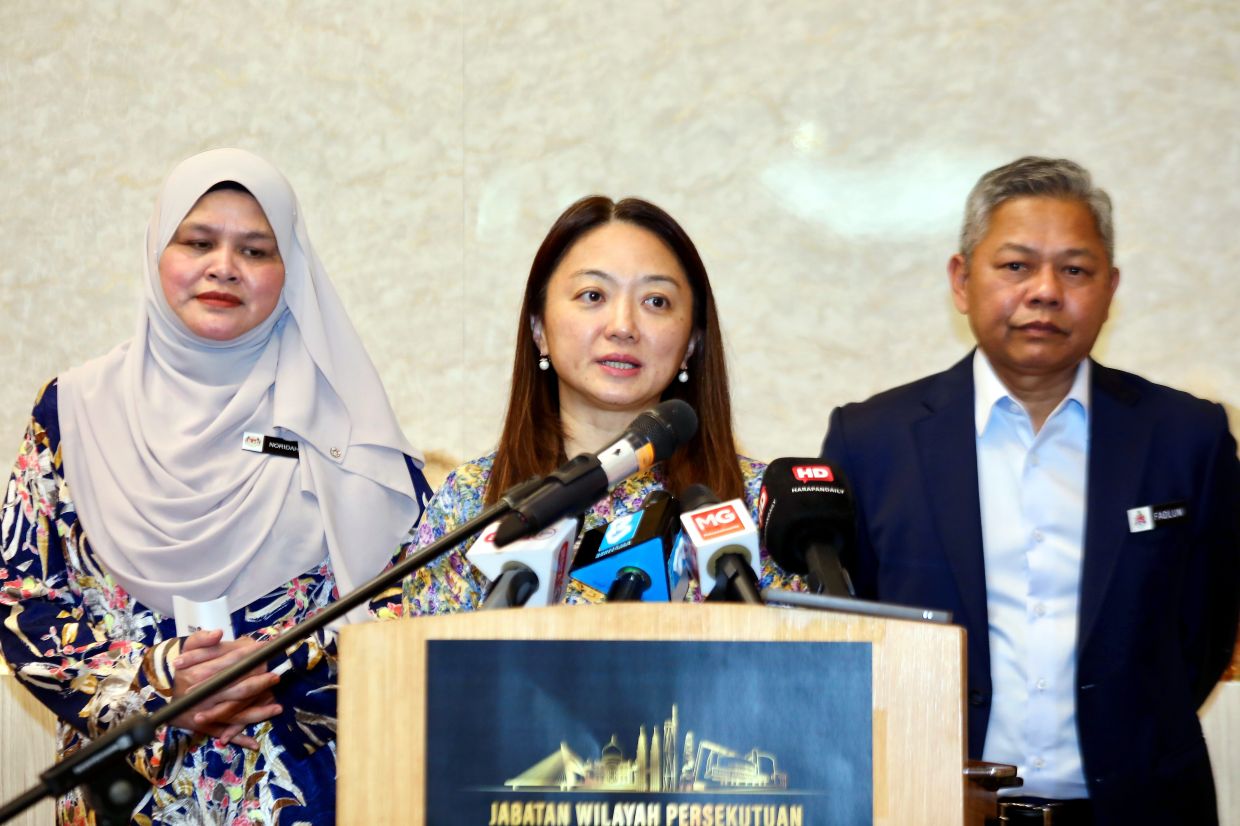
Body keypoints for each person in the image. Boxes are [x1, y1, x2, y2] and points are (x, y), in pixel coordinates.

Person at [0, 149, 432, 824]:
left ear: (290, 273)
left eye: (256, 251)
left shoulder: (348, 422)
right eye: (198, 241)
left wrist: (271, 675)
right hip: (129, 789)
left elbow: (422, 595)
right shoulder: (73, 410)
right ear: (157, 252)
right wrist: (153, 681)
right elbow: (23, 595)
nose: (224, 267)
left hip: (304, 786)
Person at [820, 157, 1239, 825]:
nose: (1045, 291)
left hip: (1140, 807)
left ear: (1110, 288)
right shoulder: (872, 442)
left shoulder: (1188, 436)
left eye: (1074, 269)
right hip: (934, 807)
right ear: (962, 280)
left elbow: (1205, 633)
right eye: (1015, 266)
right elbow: (853, 636)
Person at [402, 196, 800, 613]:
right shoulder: (472, 502)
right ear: (539, 328)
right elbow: (418, 669)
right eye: (593, 295)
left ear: (691, 344)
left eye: (656, 301)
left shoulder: (764, 509)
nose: (623, 326)